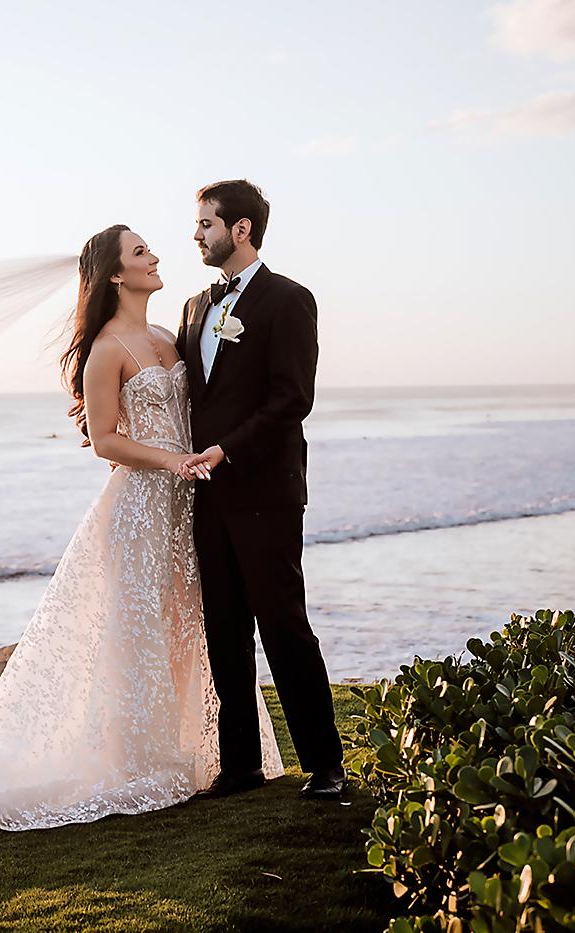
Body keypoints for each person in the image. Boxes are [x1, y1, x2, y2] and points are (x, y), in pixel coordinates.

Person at [0, 224, 283, 830]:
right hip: (141, 507)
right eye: (140, 252)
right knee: (137, 633)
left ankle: (202, 754)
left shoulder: (169, 336)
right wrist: (175, 460)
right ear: (116, 275)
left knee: (187, 629)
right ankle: (137, 762)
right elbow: (104, 440)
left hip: (190, 506)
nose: (155, 256)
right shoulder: (106, 349)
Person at [178, 180, 346, 800]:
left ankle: (325, 765)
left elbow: (292, 399)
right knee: (223, 628)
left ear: (240, 229)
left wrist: (231, 450)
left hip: (266, 490)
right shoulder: (195, 307)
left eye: (205, 224)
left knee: (283, 626)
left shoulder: (289, 300)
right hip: (207, 494)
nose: (196, 235)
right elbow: (184, 393)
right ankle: (242, 764)